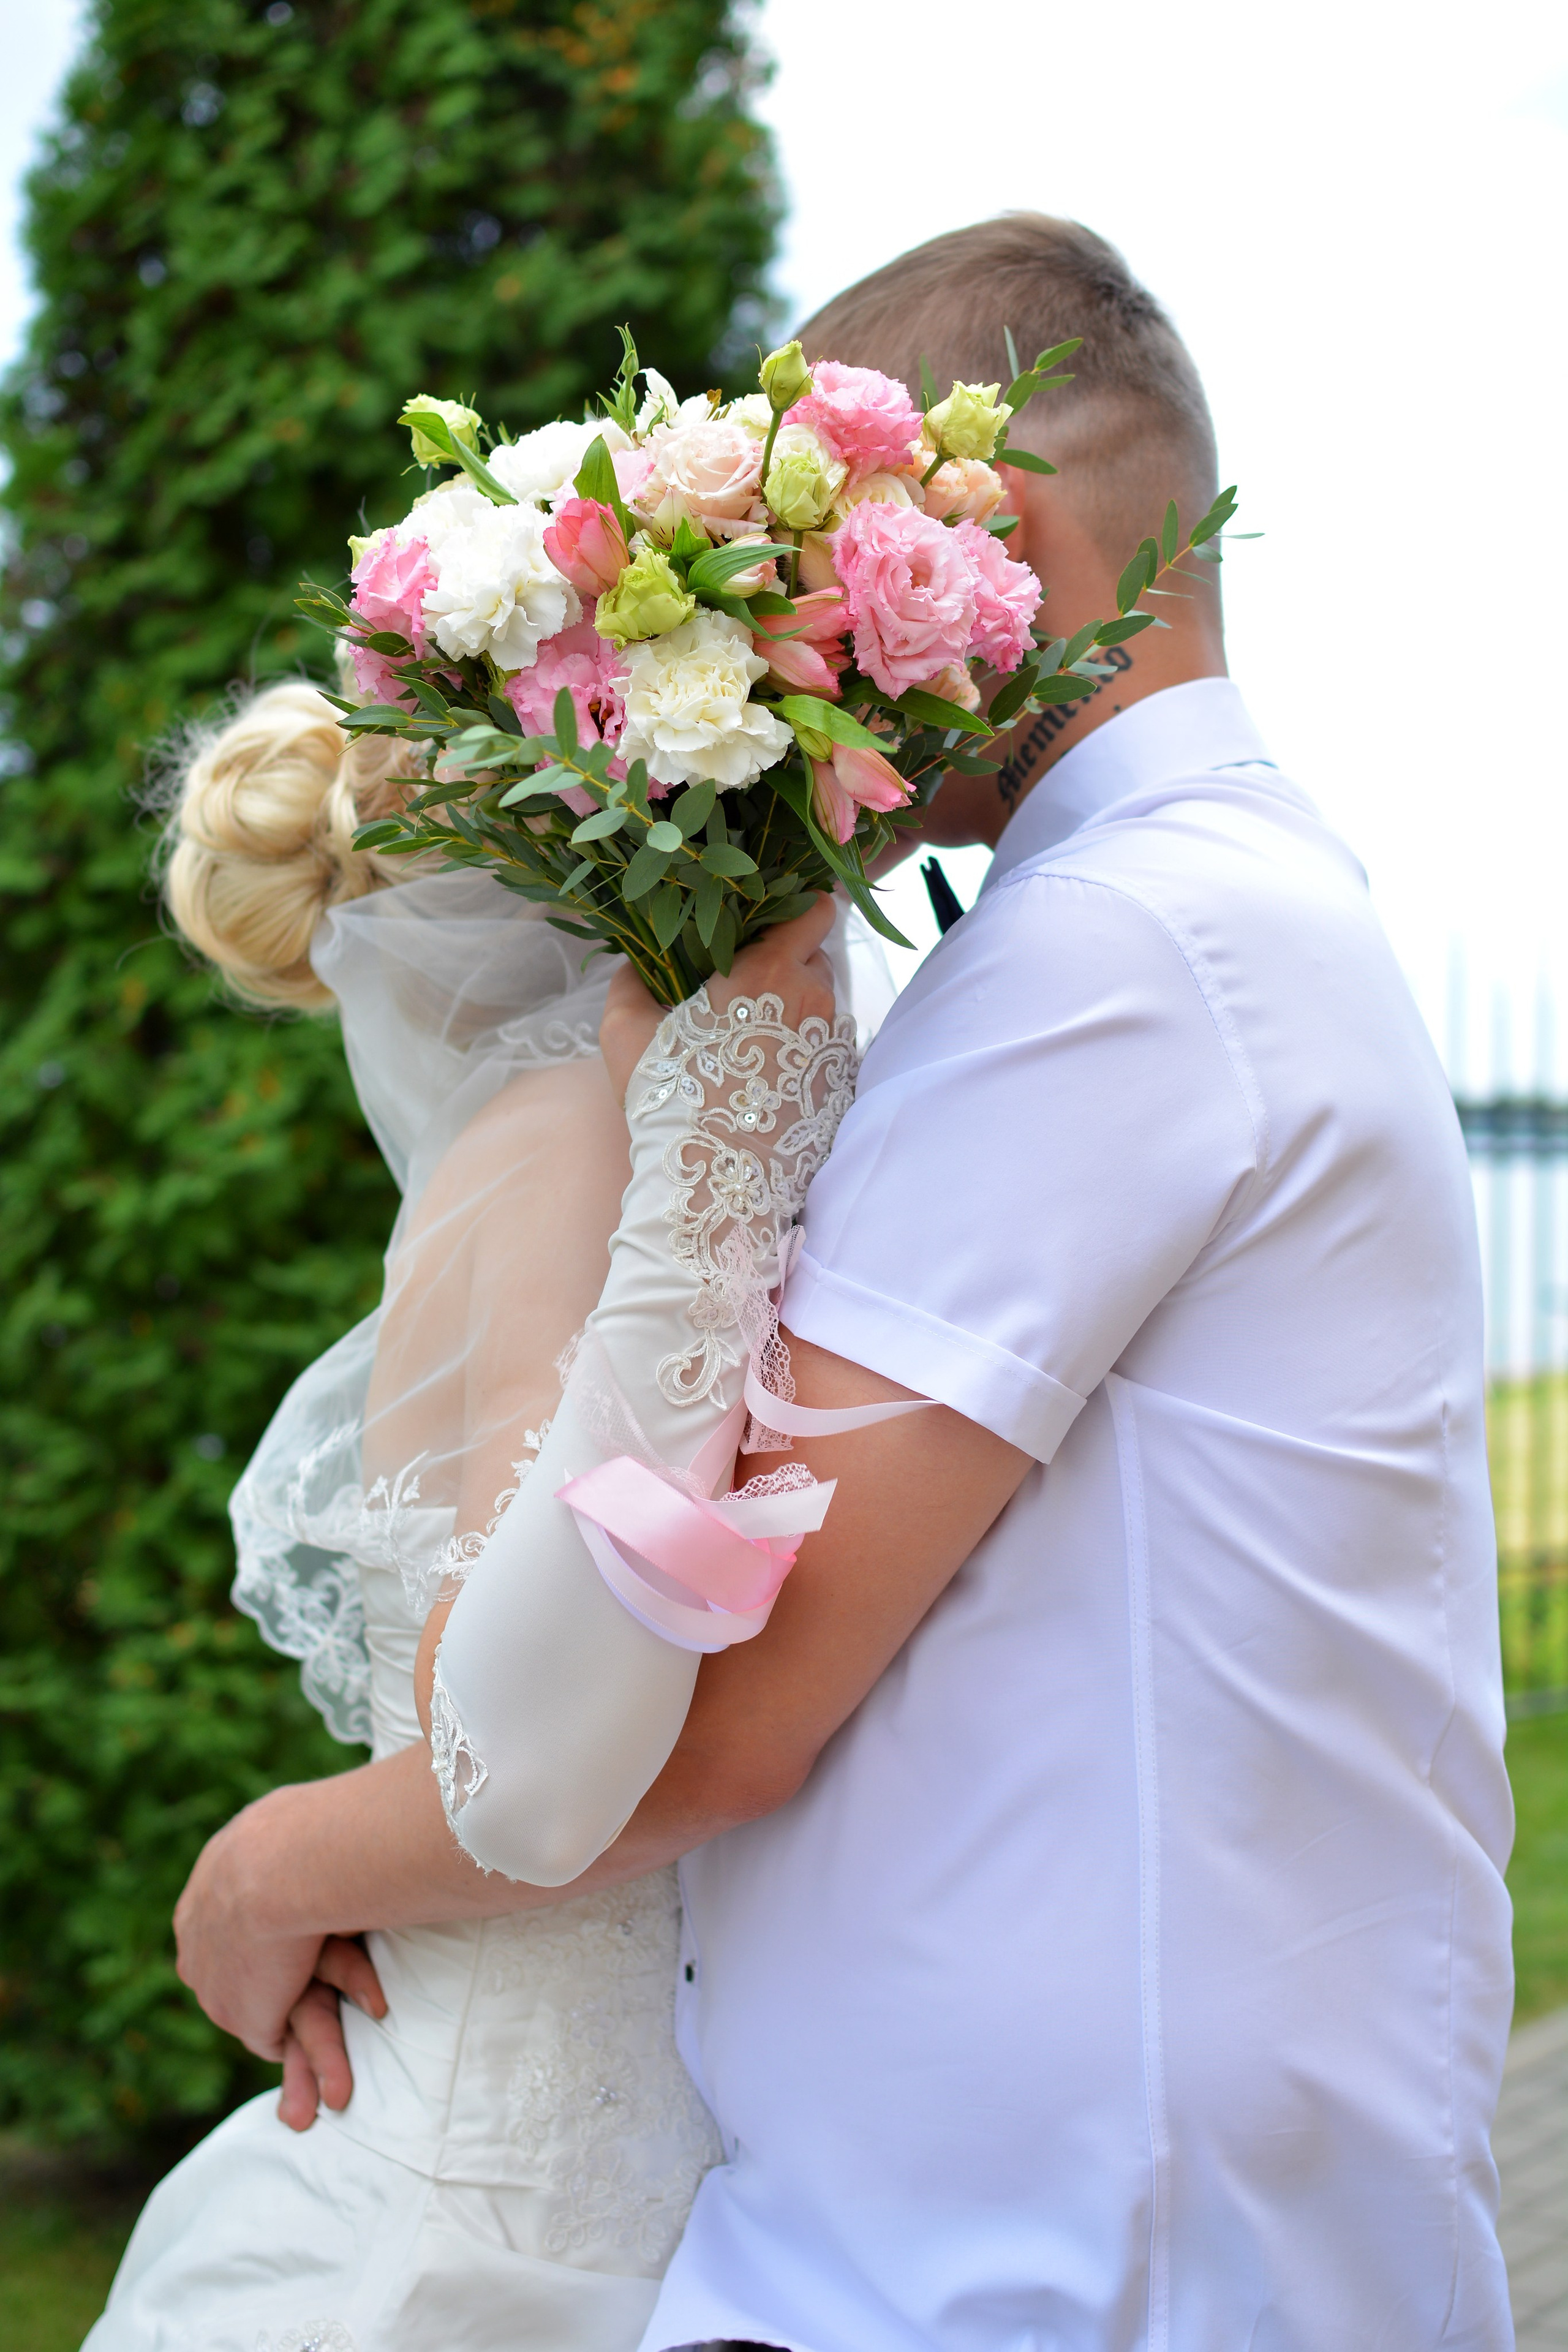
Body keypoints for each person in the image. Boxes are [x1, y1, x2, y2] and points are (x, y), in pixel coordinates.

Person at [173, 214, 1515, 2351]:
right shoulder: (1160, 919)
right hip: (1015, 2237)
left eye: (811, 575)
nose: (784, 647)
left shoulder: (1120, 949)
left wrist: (275, 1870)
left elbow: (730, 1698)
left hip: (1063, 2262)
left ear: (980, 538)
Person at [89, 683, 844, 2351]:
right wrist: (264, 1873)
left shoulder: (535, 1135)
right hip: (505, 2213)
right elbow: (511, 1720)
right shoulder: (578, 1143)